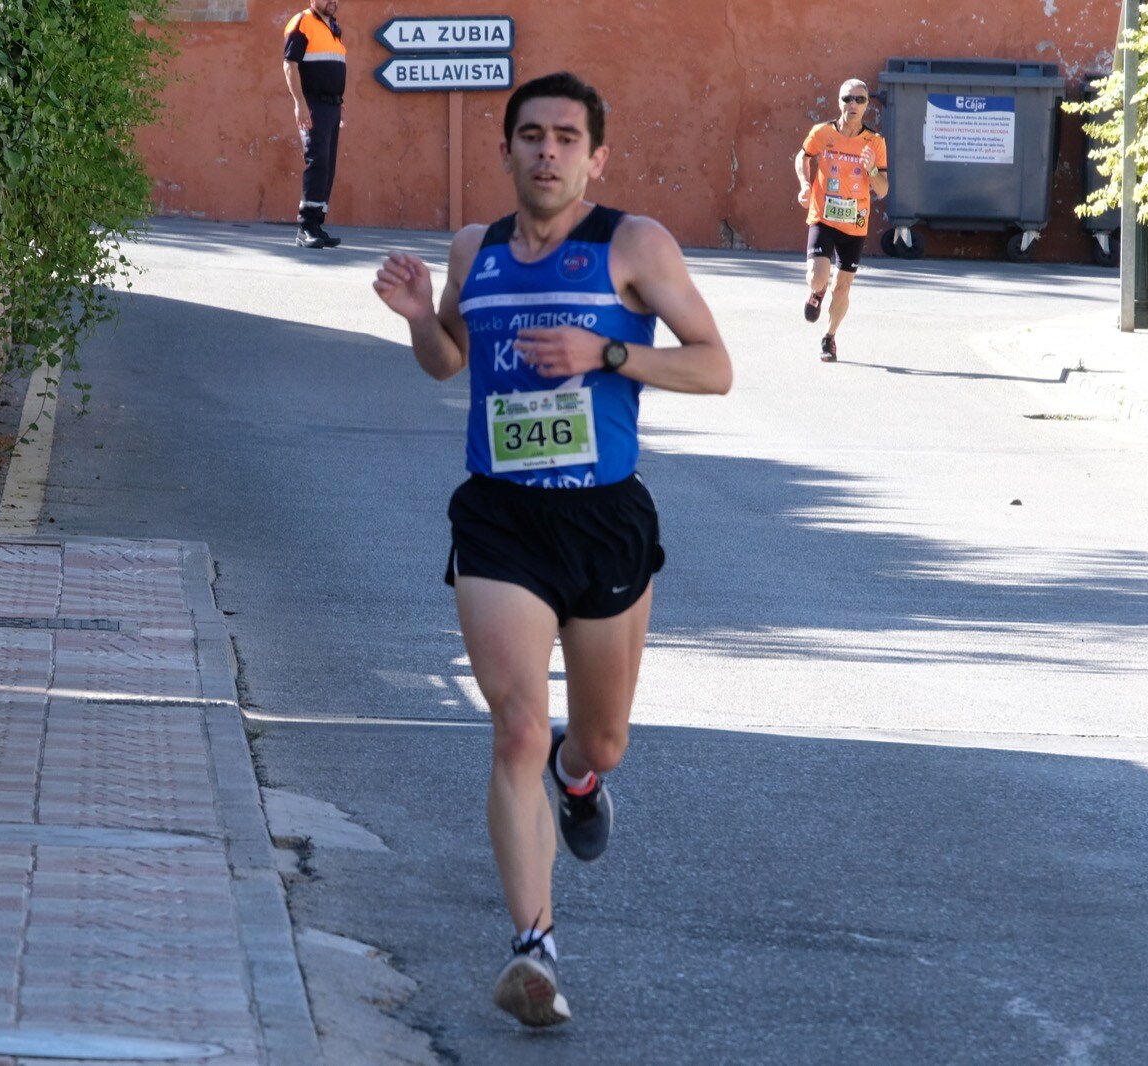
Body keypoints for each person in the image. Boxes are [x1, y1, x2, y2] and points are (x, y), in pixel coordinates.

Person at [373, 71, 732, 1028]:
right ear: (507, 150)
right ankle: (533, 948)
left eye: (567, 138)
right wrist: (420, 319)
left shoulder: (633, 245)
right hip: (499, 519)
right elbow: (452, 361)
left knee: (597, 735)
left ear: (596, 156)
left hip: (604, 519)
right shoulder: (474, 250)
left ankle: (582, 778)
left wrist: (607, 353)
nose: (547, 152)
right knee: (516, 728)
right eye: (531, 136)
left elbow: (715, 365)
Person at [796, 77, 889, 362]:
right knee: (817, 276)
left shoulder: (874, 142)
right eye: (848, 98)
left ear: (866, 107)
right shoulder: (822, 132)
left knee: (843, 286)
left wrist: (872, 169)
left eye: (860, 100)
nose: (853, 104)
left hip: (855, 224)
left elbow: (883, 190)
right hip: (823, 216)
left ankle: (829, 337)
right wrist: (804, 184)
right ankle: (817, 291)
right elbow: (803, 156)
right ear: (839, 101)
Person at [282, 0, 346, 248]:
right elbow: (290, 65)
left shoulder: (333, 27)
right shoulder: (303, 21)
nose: (333, 1)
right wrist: (299, 103)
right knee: (316, 162)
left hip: (332, 105)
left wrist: (340, 101)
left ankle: (317, 225)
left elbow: (331, 67)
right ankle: (305, 227)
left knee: (327, 166)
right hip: (313, 105)